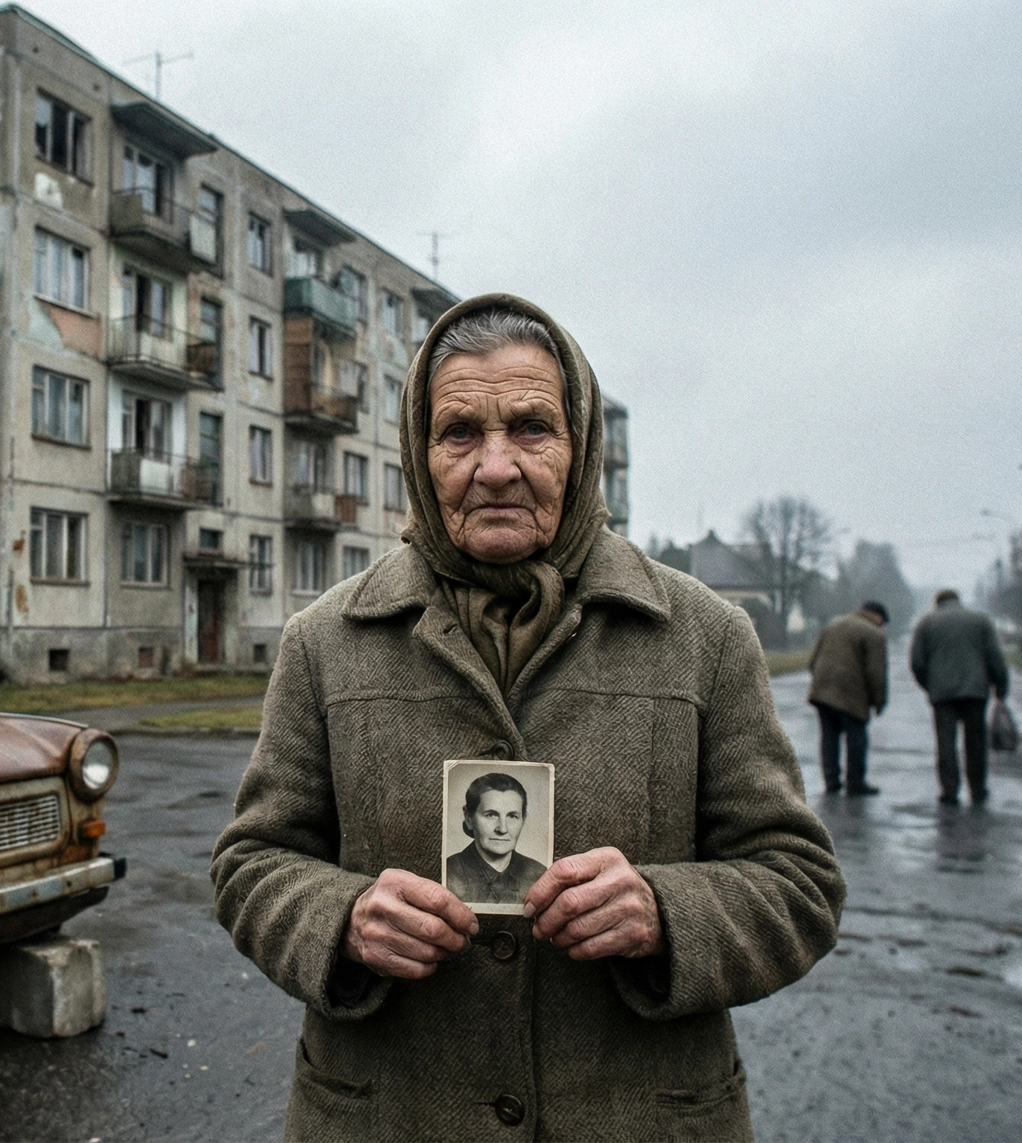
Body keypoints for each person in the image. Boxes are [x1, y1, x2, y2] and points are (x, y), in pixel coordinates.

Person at [211, 294, 844, 1141]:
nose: (497, 465)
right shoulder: (326, 641)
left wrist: (664, 910)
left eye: (532, 428)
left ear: (579, 448)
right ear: (419, 452)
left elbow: (797, 884)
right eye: (460, 433)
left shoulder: (704, 637)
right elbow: (253, 861)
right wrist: (341, 919)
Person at [908, 589, 1009, 805]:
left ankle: (949, 791)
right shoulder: (980, 621)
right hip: (975, 692)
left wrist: (930, 685)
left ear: (938, 603)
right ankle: (978, 789)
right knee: (975, 743)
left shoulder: (927, 623)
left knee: (946, 744)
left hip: (942, 695)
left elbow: (917, 662)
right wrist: (1000, 686)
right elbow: (994, 656)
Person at [806, 600, 890, 795]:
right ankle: (855, 782)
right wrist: (879, 701)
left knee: (829, 737)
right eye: (882, 621)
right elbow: (876, 673)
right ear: (876, 616)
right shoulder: (874, 634)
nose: (881, 625)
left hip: (822, 692)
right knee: (856, 738)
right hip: (851, 694)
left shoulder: (832, 624)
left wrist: (821, 682)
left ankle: (831, 780)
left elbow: (812, 661)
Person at [443, 772, 547, 905]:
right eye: (491, 815)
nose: (502, 829)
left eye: (512, 816)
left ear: (523, 819)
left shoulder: (538, 875)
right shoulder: (448, 873)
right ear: (469, 818)